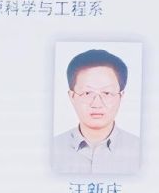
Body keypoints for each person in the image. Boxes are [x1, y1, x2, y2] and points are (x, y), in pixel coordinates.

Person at [48, 48, 141, 176]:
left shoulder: (141, 151)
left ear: (121, 96)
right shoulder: (50, 149)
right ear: (72, 96)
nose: (96, 103)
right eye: (87, 93)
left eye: (107, 93)